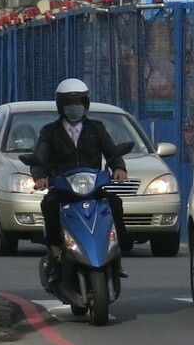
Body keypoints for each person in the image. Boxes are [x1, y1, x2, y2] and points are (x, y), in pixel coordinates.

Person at [30, 79, 129, 285]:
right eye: (68, 103)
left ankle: (116, 253)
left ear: (86, 104)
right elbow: (40, 158)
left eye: (79, 102)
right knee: (49, 205)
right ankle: (56, 255)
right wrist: (40, 176)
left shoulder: (97, 129)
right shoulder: (49, 132)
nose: (74, 107)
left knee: (114, 203)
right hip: (63, 189)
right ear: (60, 105)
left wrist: (118, 168)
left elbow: (112, 152)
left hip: (93, 188)